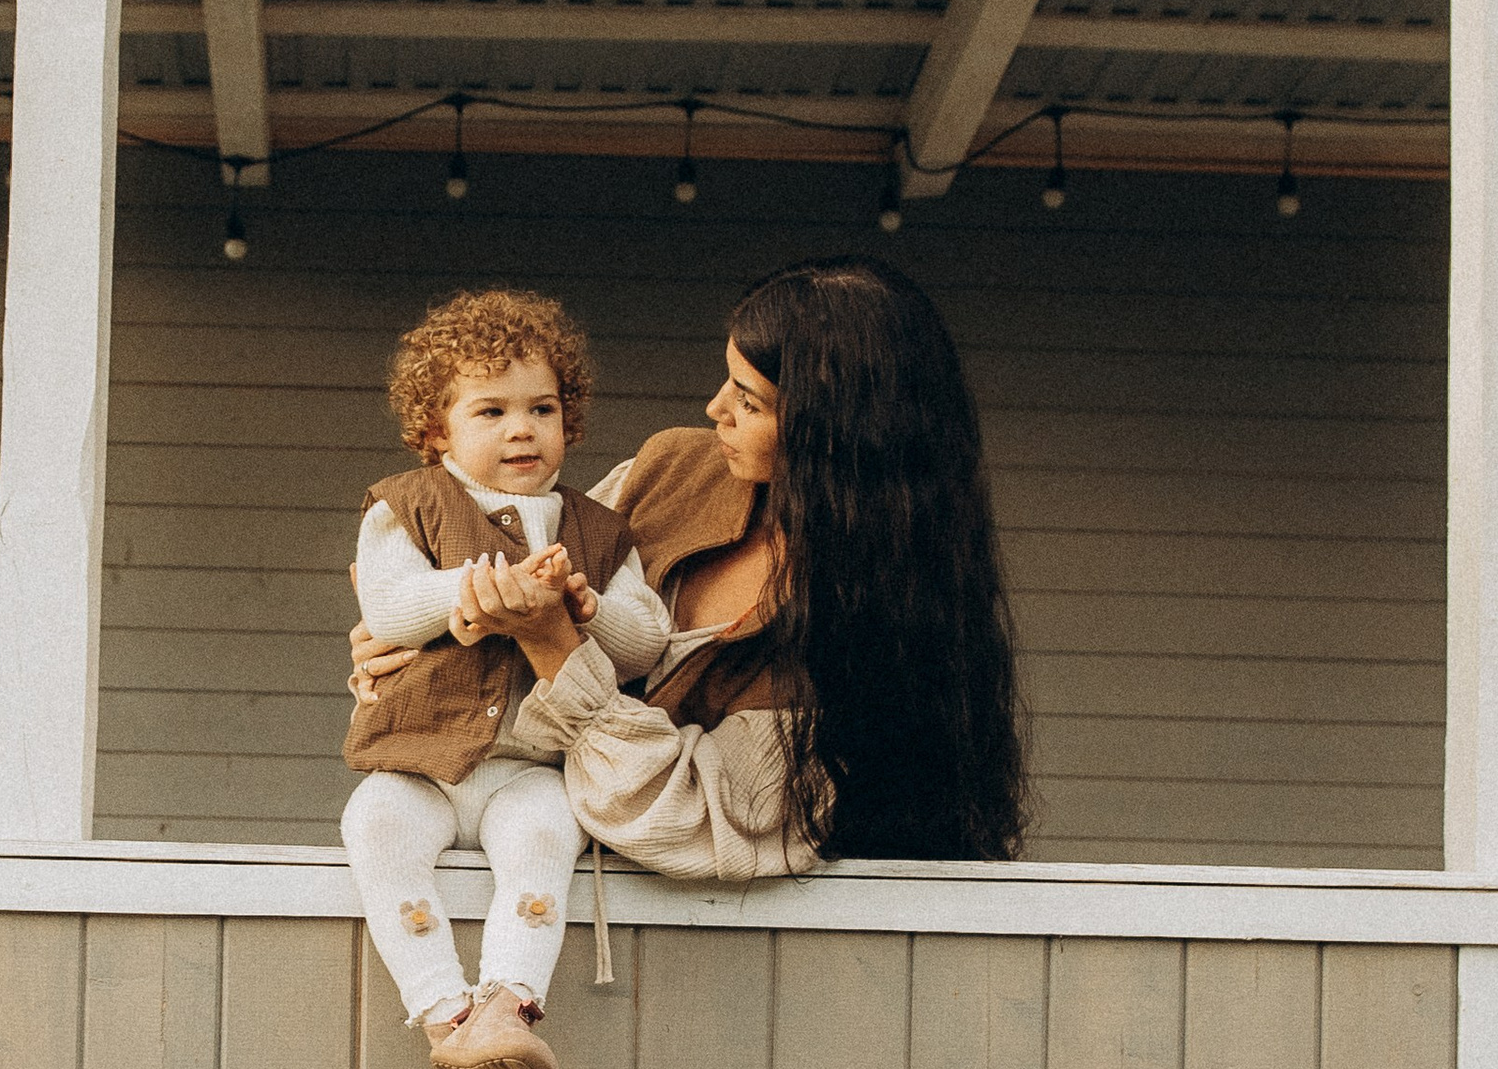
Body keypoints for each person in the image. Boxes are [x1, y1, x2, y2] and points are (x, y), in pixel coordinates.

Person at [350, 255, 1026, 886]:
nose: (715, 409)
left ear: (836, 437)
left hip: (673, 935)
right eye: (728, 381)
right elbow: (482, 583)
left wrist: (553, 643)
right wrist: (412, 638)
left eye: (751, 402)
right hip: (496, 863)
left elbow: (690, 820)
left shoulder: (862, 638)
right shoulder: (672, 469)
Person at [342, 287, 672, 1069]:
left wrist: (589, 609)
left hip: (528, 765)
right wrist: (477, 587)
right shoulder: (406, 506)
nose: (521, 428)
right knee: (375, 827)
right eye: (490, 410)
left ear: (571, 420)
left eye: (542, 408)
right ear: (437, 433)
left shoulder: (598, 531)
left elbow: (648, 641)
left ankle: (508, 1008)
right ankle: (448, 1015)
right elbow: (388, 607)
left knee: (544, 840)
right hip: (419, 760)